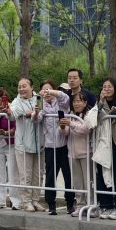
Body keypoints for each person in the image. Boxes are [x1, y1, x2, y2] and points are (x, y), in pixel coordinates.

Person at [86, 78, 116, 220]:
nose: (107, 89)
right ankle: (106, 205)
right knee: (102, 175)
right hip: (102, 143)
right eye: (104, 87)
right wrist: (100, 103)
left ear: (115, 88)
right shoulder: (99, 104)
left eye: (109, 86)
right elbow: (91, 121)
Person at [38, 80, 73, 215]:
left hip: (64, 146)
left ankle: (70, 203)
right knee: (50, 176)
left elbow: (65, 97)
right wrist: (36, 112)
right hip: (49, 146)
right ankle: (51, 204)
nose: (47, 93)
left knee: (68, 176)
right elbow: (36, 119)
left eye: (49, 90)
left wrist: (51, 92)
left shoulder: (61, 103)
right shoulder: (41, 105)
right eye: (44, 90)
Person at [9, 77, 44, 211]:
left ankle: (35, 200)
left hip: (39, 144)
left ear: (32, 87)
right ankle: (26, 201)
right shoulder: (16, 101)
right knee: (25, 175)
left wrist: (35, 113)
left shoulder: (39, 98)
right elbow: (12, 114)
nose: (21, 89)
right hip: (23, 145)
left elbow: (41, 115)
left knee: (38, 175)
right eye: (19, 87)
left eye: (24, 86)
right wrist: (8, 112)